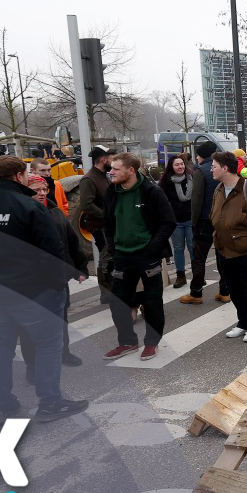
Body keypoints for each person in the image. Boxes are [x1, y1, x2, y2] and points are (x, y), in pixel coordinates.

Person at [0, 156, 88, 424]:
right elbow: (52, 252)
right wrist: (55, 284)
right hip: (32, 292)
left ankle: (3, 405)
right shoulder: (30, 207)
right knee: (48, 345)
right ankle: (50, 401)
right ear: (17, 176)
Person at [102, 153, 176, 362]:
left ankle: (151, 342)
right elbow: (107, 222)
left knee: (152, 302)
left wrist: (152, 249)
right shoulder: (111, 192)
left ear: (131, 170)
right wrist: (113, 248)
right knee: (117, 302)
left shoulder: (151, 191)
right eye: (111, 168)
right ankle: (127, 342)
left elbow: (168, 222)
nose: (111, 172)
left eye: (116, 169)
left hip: (147, 256)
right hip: (122, 257)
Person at [25, 175, 88, 370]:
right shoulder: (22, 214)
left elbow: (72, 242)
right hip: (34, 281)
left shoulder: (55, 211)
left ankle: (64, 352)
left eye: (44, 189)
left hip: (59, 277)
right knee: (33, 326)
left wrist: (80, 267)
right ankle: (33, 366)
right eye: (36, 190)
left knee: (61, 318)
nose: (42, 193)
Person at [209, 151, 247, 343]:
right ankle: (243, 322)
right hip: (224, 249)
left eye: (214, 166)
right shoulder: (219, 189)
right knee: (234, 289)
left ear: (225, 168)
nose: (211, 169)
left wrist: (241, 218)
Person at [182, 141, 231, 305]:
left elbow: (196, 201)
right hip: (223, 219)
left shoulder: (200, 171)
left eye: (197, 155)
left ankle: (196, 293)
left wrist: (194, 222)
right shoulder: (225, 169)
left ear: (202, 155)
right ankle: (225, 291)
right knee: (222, 255)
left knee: (199, 258)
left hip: (204, 220)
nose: (196, 158)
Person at [74, 145, 113, 304]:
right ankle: (106, 293)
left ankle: (110, 290)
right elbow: (87, 205)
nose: (113, 160)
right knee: (105, 258)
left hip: (107, 224)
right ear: (103, 159)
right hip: (100, 226)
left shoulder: (103, 176)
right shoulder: (89, 179)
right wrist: (107, 216)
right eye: (111, 158)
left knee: (109, 257)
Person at [159, 155, 194, 289]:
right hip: (175, 222)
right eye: (177, 165)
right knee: (178, 249)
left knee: (192, 248)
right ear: (171, 167)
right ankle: (181, 276)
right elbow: (161, 201)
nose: (180, 167)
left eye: (182, 164)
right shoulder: (165, 182)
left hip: (190, 219)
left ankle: (197, 274)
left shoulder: (192, 178)